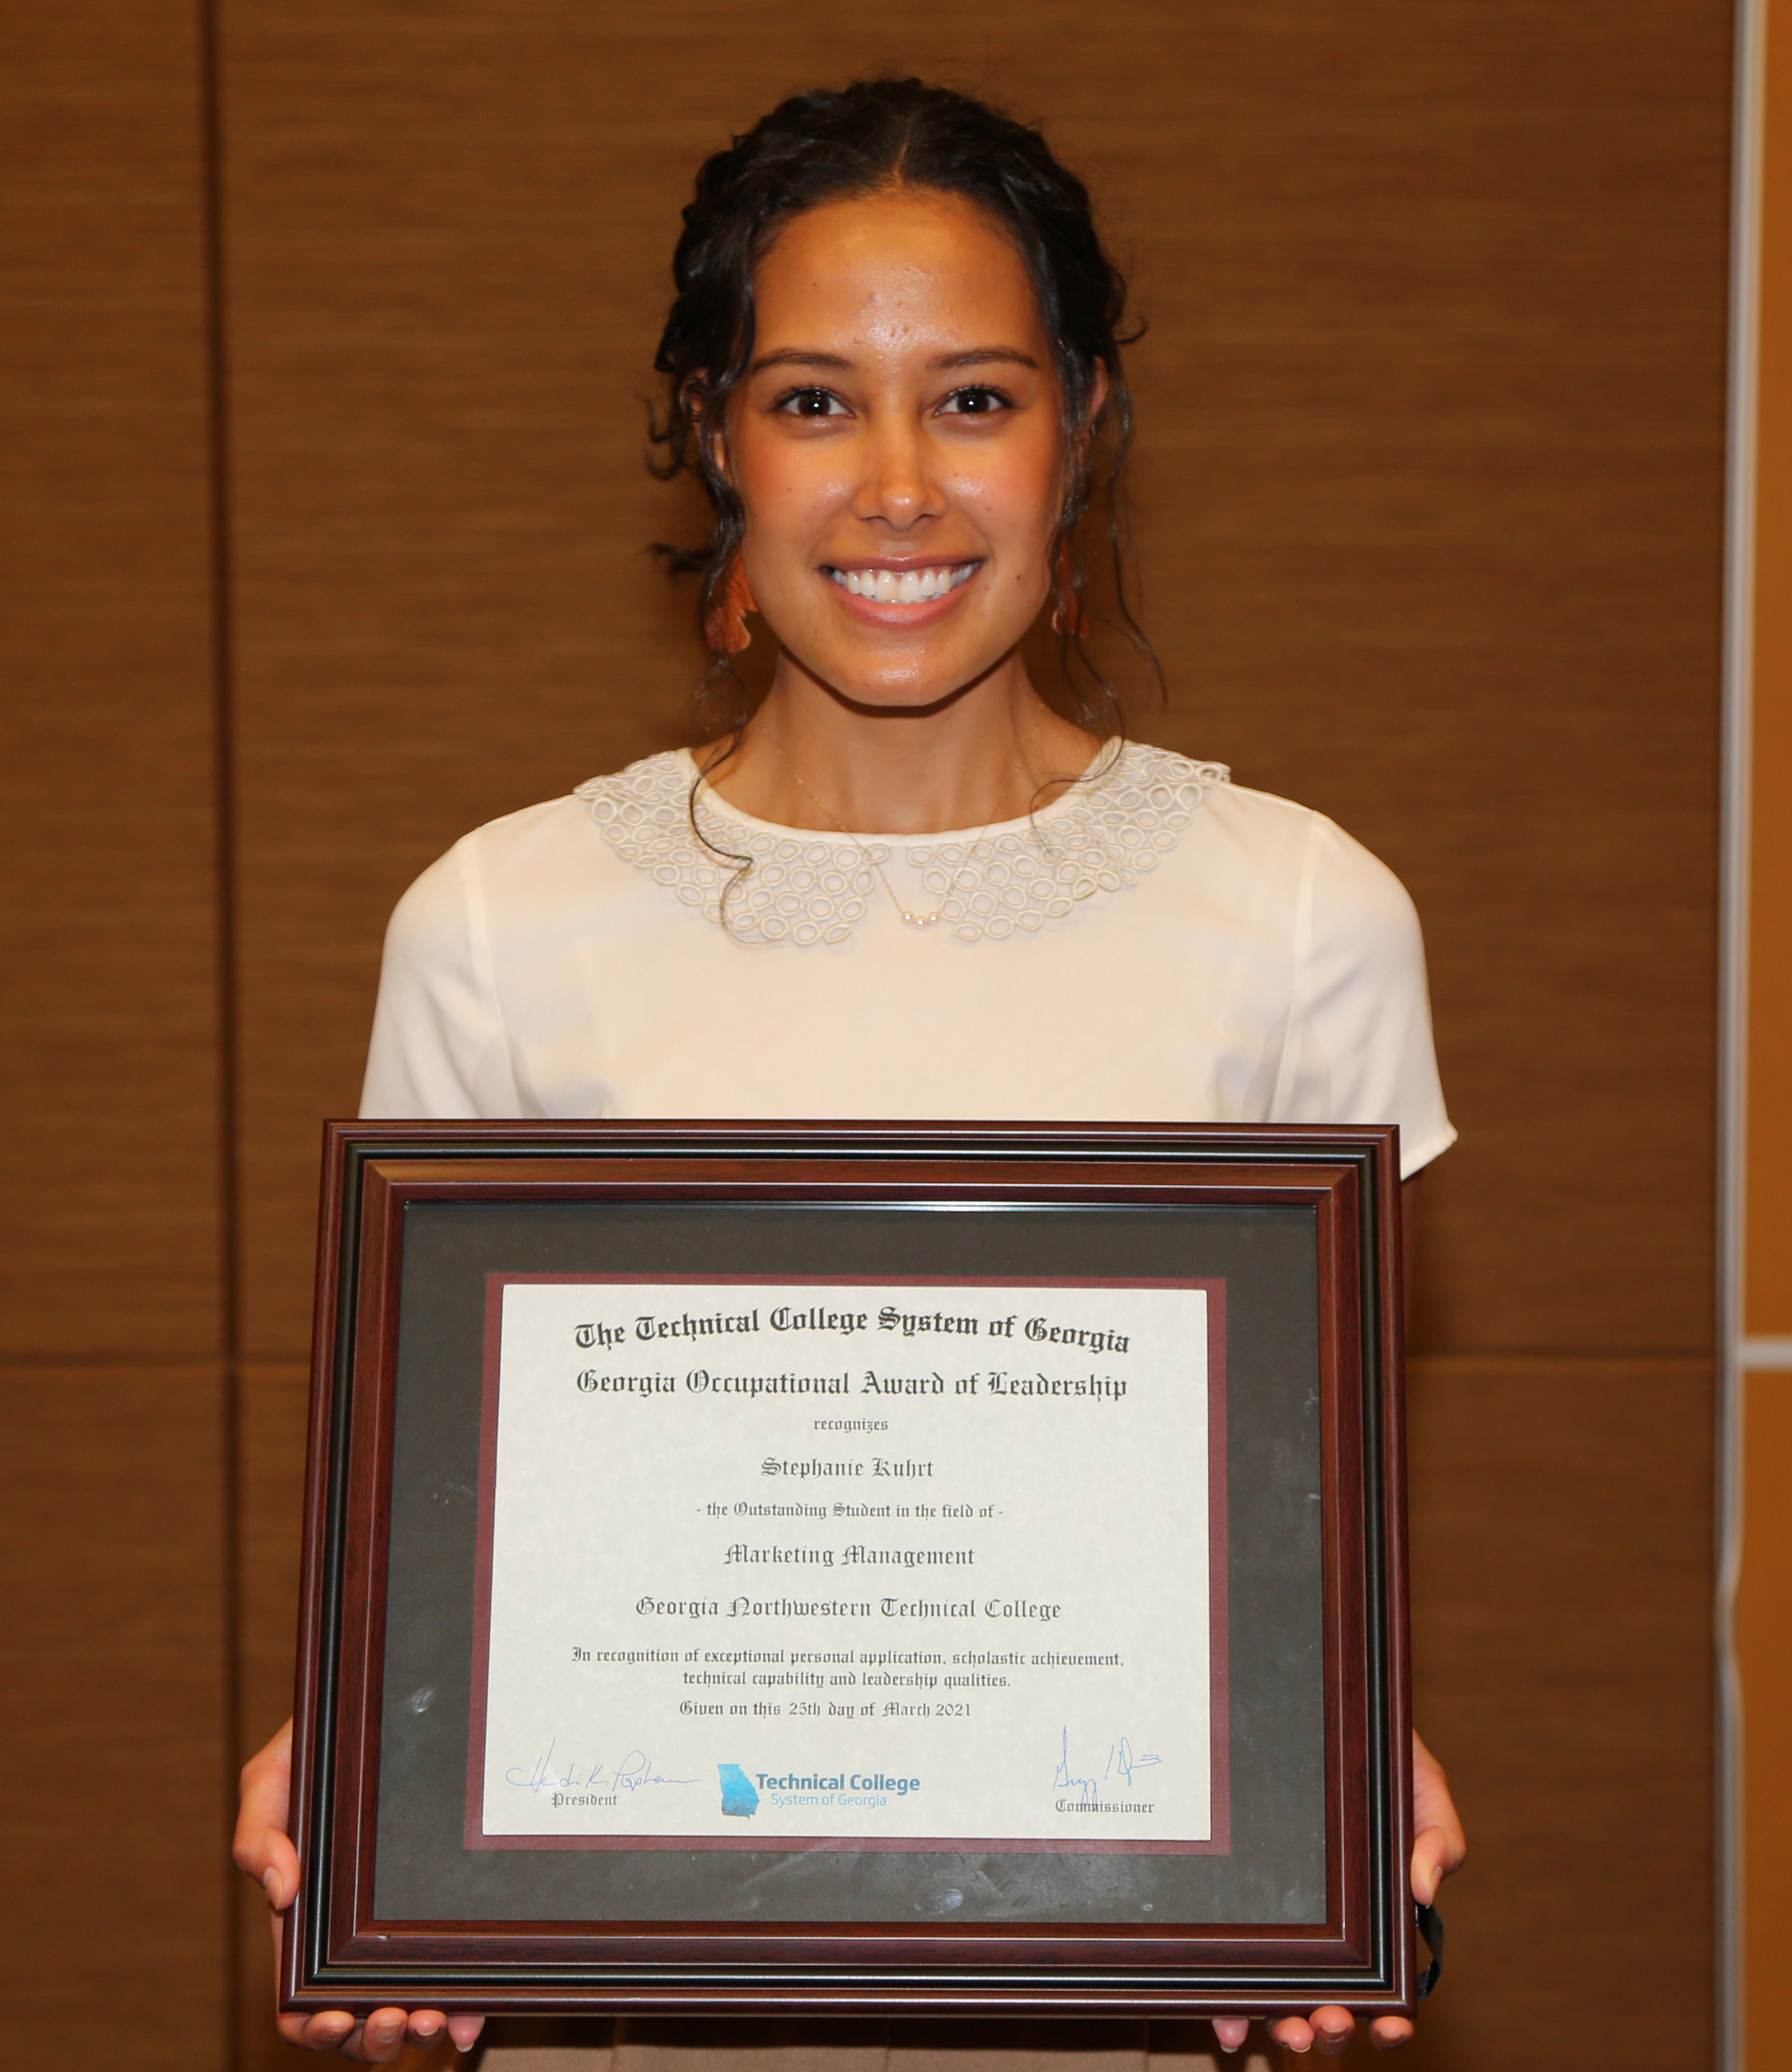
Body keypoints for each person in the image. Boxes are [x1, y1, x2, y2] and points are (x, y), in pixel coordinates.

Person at [234, 76, 1466, 2066]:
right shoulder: (496, 920)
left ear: (1082, 427)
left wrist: (1333, 1765)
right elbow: (449, 1521)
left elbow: (1299, 1535)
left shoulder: (1305, 913)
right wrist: (383, 1762)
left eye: (973, 398)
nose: (899, 484)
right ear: (716, 439)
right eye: (814, 400)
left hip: (1122, 2005)